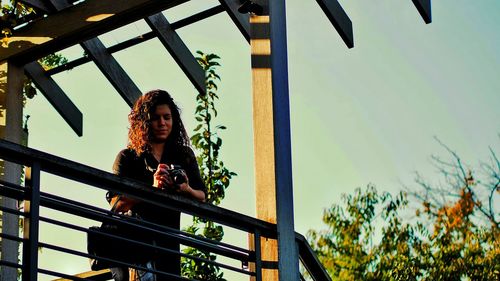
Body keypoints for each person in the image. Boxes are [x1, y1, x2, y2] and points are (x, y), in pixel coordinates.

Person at [107, 89, 206, 281]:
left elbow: (202, 196)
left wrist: (185, 189)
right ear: (144, 122)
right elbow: (115, 204)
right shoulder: (128, 158)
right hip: (137, 247)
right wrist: (151, 189)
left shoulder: (183, 155)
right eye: (156, 118)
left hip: (170, 247)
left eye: (167, 117)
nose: (162, 123)